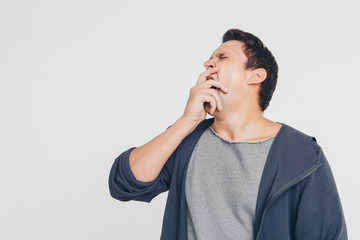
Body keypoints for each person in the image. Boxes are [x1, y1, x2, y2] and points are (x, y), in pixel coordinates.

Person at [108, 28, 347, 239]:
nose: (208, 63)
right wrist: (185, 122)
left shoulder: (301, 153)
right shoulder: (186, 138)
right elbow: (125, 184)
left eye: (222, 57)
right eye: (210, 58)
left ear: (256, 75)